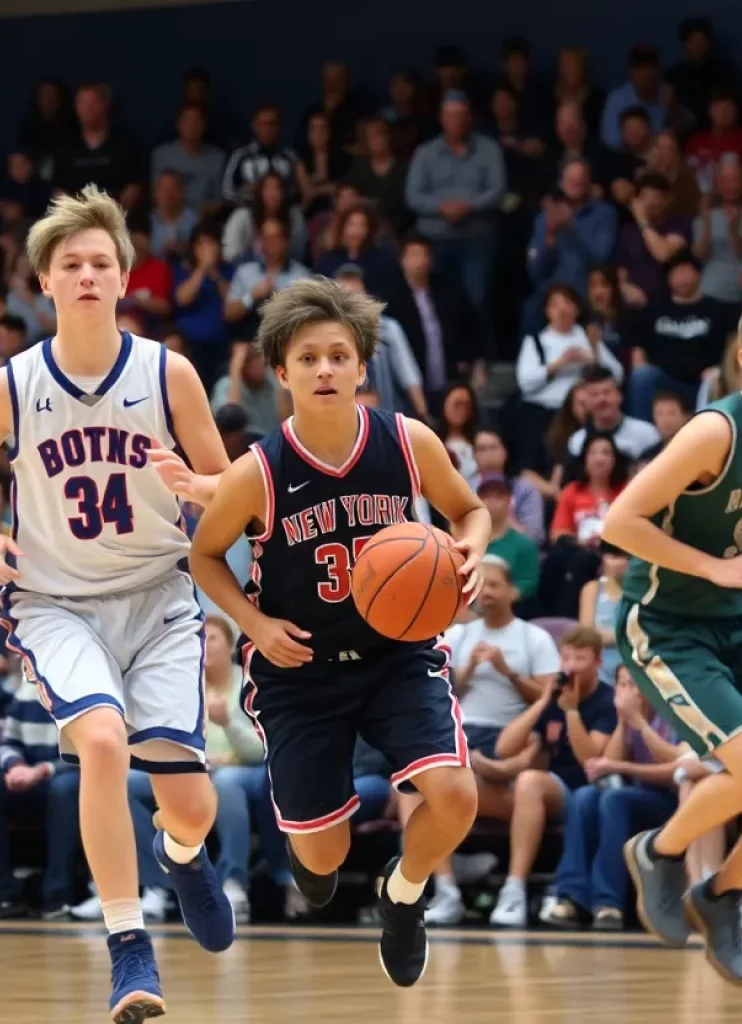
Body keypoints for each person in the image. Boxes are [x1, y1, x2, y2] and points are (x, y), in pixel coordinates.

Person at [0, 186, 233, 1023]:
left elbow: (229, 488)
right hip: (57, 602)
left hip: (158, 598)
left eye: (101, 262)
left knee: (190, 802)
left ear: (123, 274)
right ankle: (127, 943)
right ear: (45, 280)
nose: (87, 275)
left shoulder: (167, 372)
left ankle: (181, 854)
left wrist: (199, 485)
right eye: (71, 264)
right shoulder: (12, 385)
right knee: (101, 742)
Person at [189, 277, 489, 987]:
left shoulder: (408, 441)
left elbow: (468, 510)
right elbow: (203, 555)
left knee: (456, 796)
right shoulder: (258, 470)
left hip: (397, 654)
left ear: (362, 365)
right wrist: (255, 623)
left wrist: (471, 548)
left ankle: (404, 893)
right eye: (307, 358)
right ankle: (312, 852)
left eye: (338, 356)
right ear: (281, 372)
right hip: (300, 669)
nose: (325, 369)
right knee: (322, 860)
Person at [603, 292, 742, 985]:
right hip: (664, 622)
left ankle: (720, 894)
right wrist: (716, 565)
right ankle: (657, 851)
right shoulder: (713, 433)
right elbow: (618, 522)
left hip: (733, 620)